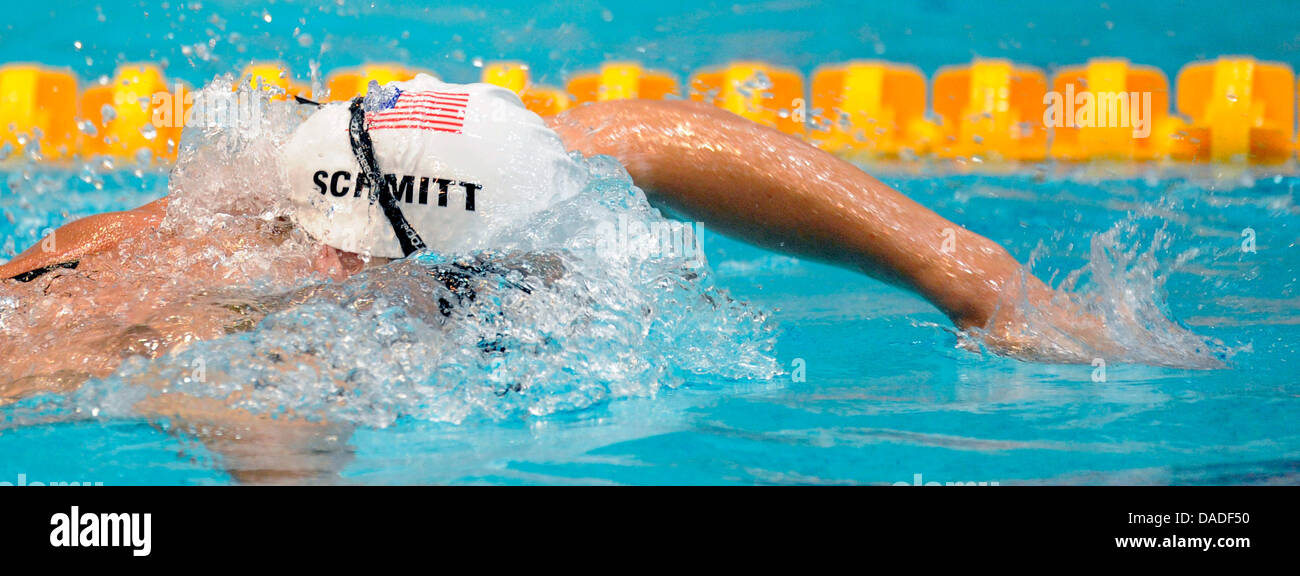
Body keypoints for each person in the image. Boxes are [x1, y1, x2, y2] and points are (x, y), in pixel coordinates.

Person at [0, 75, 1116, 480]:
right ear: (360, 261)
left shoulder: (319, 179)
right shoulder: (235, 329)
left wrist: (973, 273)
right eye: (485, 283)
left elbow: (630, 133)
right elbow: (271, 448)